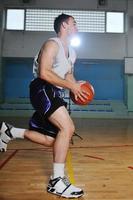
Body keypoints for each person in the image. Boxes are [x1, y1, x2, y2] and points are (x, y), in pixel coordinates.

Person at [0, 13, 87, 198]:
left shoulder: (72, 52)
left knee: (52, 141)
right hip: (42, 88)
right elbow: (44, 73)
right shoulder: (52, 44)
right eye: (74, 23)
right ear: (64, 25)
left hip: (54, 92)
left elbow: (69, 75)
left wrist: (76, 87)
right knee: (68, 127)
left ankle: (9, 131)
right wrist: (70, 85)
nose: (77, 26)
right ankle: (56, 181)